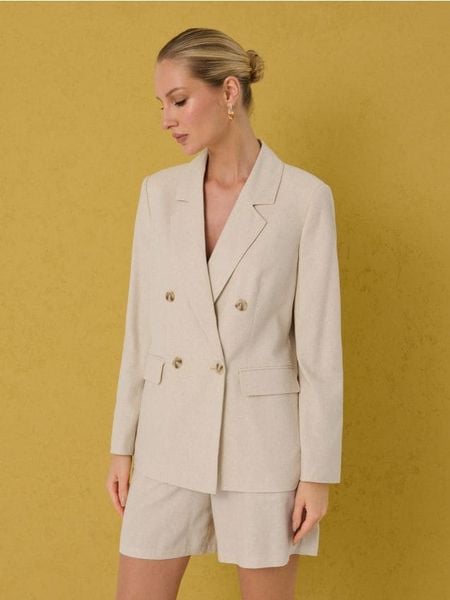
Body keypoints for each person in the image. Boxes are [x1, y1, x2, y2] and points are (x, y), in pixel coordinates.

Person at [106, 27, 344, 600]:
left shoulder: (304, 199)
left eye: (179, 100)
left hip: (261, 443)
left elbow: (319, 348)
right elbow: (141, 328)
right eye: (161, 104)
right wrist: (122, 443)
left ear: (229, 92)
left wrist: (317, 474)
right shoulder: (159, 194)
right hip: (168, 431)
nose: (167, 119)